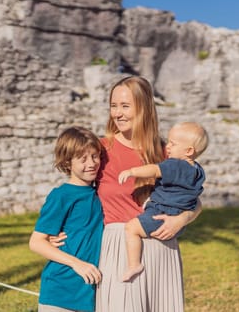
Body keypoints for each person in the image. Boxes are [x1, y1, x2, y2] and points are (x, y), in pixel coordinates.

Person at [118, 121, 208, 282]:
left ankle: (134, 264)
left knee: (131, 228)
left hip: (161, 215)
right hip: (178, 222)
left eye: (173, 144)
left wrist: (132, 171)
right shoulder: (198, 171)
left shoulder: (176, 165)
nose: (168, 146)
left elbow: (154, 169)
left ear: (188, 151)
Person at [29, 126, 104, 312]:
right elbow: (36, 242)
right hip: (60, 292)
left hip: (90, 294)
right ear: (68, 162)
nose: (92, 163)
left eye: (95, 156)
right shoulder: (61, 196)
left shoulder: (100, 193)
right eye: (83, 159)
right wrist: (78, 264)